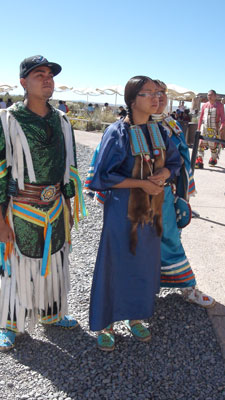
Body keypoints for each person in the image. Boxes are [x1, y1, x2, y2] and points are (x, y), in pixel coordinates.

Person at [88, 76, 181, 351]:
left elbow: (174, 163)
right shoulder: (117, 132)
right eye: (147, 93)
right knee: (115, 263)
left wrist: (163, 174)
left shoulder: (160, 131)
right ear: (132, 99)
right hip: (122, 212)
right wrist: (142, 183)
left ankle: (136, 315)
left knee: (144, 264)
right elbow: (104, 176)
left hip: (151, 213)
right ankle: (106, 323)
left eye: (157, 92)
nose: (156, 98)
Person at [0, 55, 87, 350]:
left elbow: (70, 165)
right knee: (16, 263)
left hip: (56, 206)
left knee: (56, 259)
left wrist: (69, 205)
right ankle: (10, 322)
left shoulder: (61, 120)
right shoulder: (8, 120)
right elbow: (0, 171)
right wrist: (0, 220)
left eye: (50, 74)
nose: (47, 79)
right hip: (21, 207)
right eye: (39, 75)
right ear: (23, 82)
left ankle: (51, 313)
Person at [151, 80, 215, 307]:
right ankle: (143, 289)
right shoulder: (130, 125)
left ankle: (184, 286)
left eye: (162, 93)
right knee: (140, 242)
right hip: (139, 197)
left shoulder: (171, 124)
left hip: (169, 193)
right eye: (152, 93)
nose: (158, 98)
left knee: (170, 238)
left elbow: (181, 161)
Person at [195, 90, 225, 168]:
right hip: (204, 127)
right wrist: (198, 128)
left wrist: (222, 125)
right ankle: (199, 159)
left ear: (215, 96)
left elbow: (223, 118)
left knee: (213, 145)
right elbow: (201, 117)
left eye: (211, 95)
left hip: (214, 128)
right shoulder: (204, 105)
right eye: (208, 95)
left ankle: (213, 159)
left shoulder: (220, 105)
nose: (209, 96)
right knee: (201, 143)